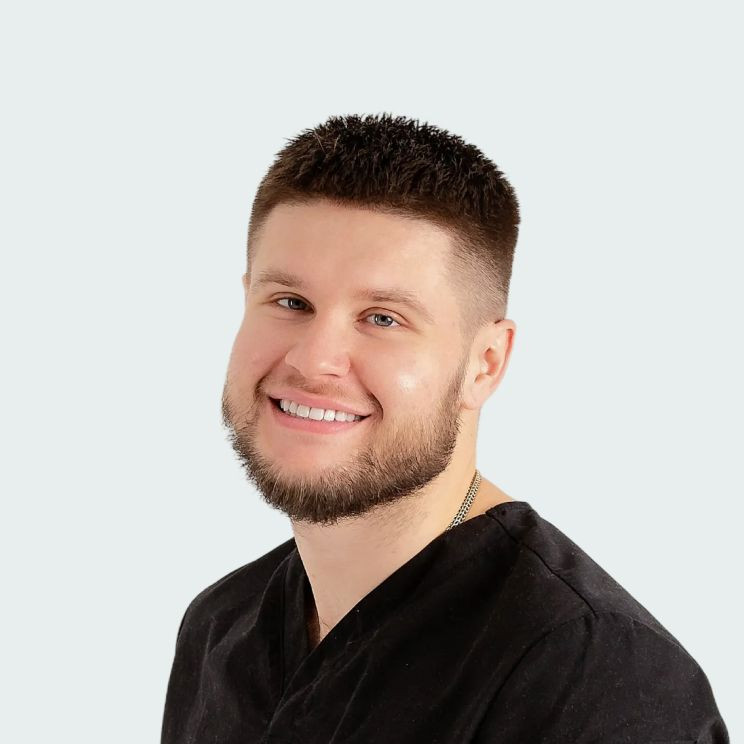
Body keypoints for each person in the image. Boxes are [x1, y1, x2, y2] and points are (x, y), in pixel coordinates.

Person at [160, 113, 729, 743]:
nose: (313, 360)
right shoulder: (220, 628)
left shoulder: (596, 676)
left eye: (383, 318)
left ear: (484, 364)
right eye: (291, 303)